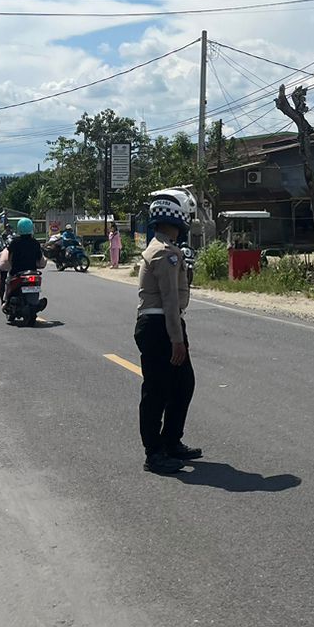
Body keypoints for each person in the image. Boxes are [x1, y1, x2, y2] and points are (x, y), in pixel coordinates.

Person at [135, 196, 200, 474]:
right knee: (157, 391)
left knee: (182, 385)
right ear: (178, 218)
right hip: (160, 327)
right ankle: (154, 453)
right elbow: (170, 300)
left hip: (162, 325)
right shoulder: (166, 253)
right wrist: (176, 339)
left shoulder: (166, 249)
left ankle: (171, 441)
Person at [0, 217, 45, 307]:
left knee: (8, 282)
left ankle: (6, 301)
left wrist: (10, 266)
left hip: (17, 272)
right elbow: (39, 258)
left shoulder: (14, 242)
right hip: (32, 272)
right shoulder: (35, 243)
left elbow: (10, 258)